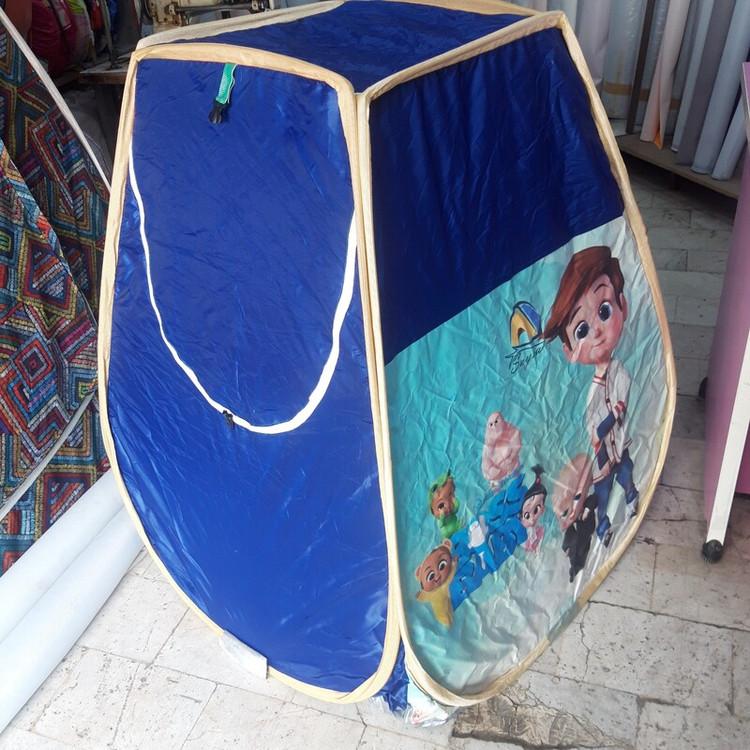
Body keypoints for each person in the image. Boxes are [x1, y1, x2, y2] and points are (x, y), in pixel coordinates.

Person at [543, 246, 639, 545]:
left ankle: (632, 496)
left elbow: (621, 400)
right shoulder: (592, 393)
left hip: (618, 442)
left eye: (604, 311)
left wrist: (611, 421)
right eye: (581, 329)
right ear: (569, 350)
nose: (596, 331)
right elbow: (594, 428)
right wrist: (605, 430)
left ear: (622, 305)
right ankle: (602, 526)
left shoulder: (619, 370)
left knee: (626, 470)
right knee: (604, 490)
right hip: (602, 455)